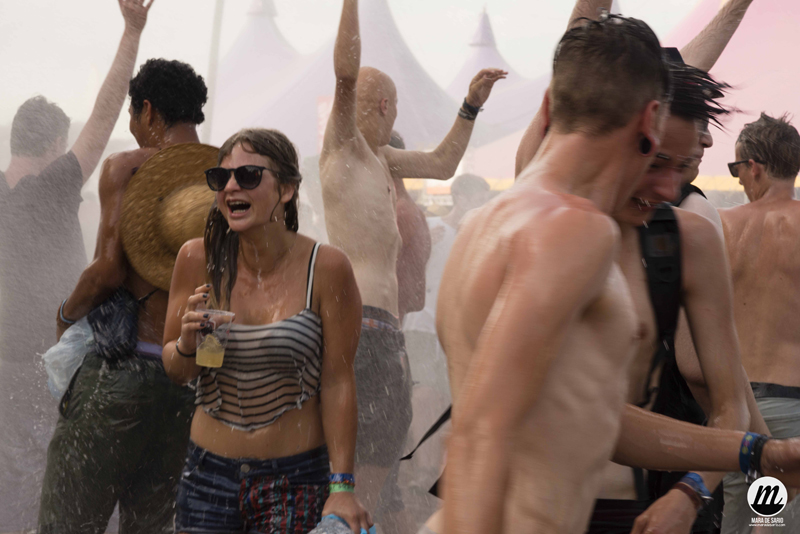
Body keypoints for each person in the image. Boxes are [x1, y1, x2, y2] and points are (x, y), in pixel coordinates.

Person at [436, 12, 671, 534]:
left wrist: (753, 451)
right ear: (650, 120)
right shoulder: (575, 227)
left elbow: (586, 412)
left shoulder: (485, 223)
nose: (670, 189)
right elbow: (479, 433)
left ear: (546, 106)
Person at [319, 0, 506, 519]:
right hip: (356, 323)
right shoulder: (344, 148)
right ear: (385, 106)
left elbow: (444, 164)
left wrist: (470, 107)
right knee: (354, 471)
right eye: (397, 108)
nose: (398, 115)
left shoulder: (382, 159)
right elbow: (345, 75)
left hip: (384, 328)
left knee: (381, 460)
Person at [162, 128, 370, 534]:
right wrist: (186, 344)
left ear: (287, 189)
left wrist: (342, 486)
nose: (231, 187)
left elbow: (338, 381)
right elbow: (178, 371)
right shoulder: (198, 259)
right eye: (221, 178)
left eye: (249, 176)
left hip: (295, 480)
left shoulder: (326, 268)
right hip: (207, 478)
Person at [0, 1, 153, 530]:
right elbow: (105, 117)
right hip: (48, 367)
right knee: (51, 487)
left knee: (12, 487)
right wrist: (132, 32)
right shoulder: (53, 188)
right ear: (55, 144)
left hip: (4, 366)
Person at [38, 57, 207, 534]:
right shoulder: (228, 177)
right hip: (186, 382)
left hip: (120, 372)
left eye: (133, 116)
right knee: (151, 525)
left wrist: (67, 315)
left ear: (147, 110)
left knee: (69, 522)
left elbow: (108, 271)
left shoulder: (128, 167)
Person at [719, 113, 800, 533]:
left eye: (736, 168)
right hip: (792, 413)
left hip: (734, 413)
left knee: (737, 523)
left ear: (754, 166)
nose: (737, 181)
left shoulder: (719, 227)